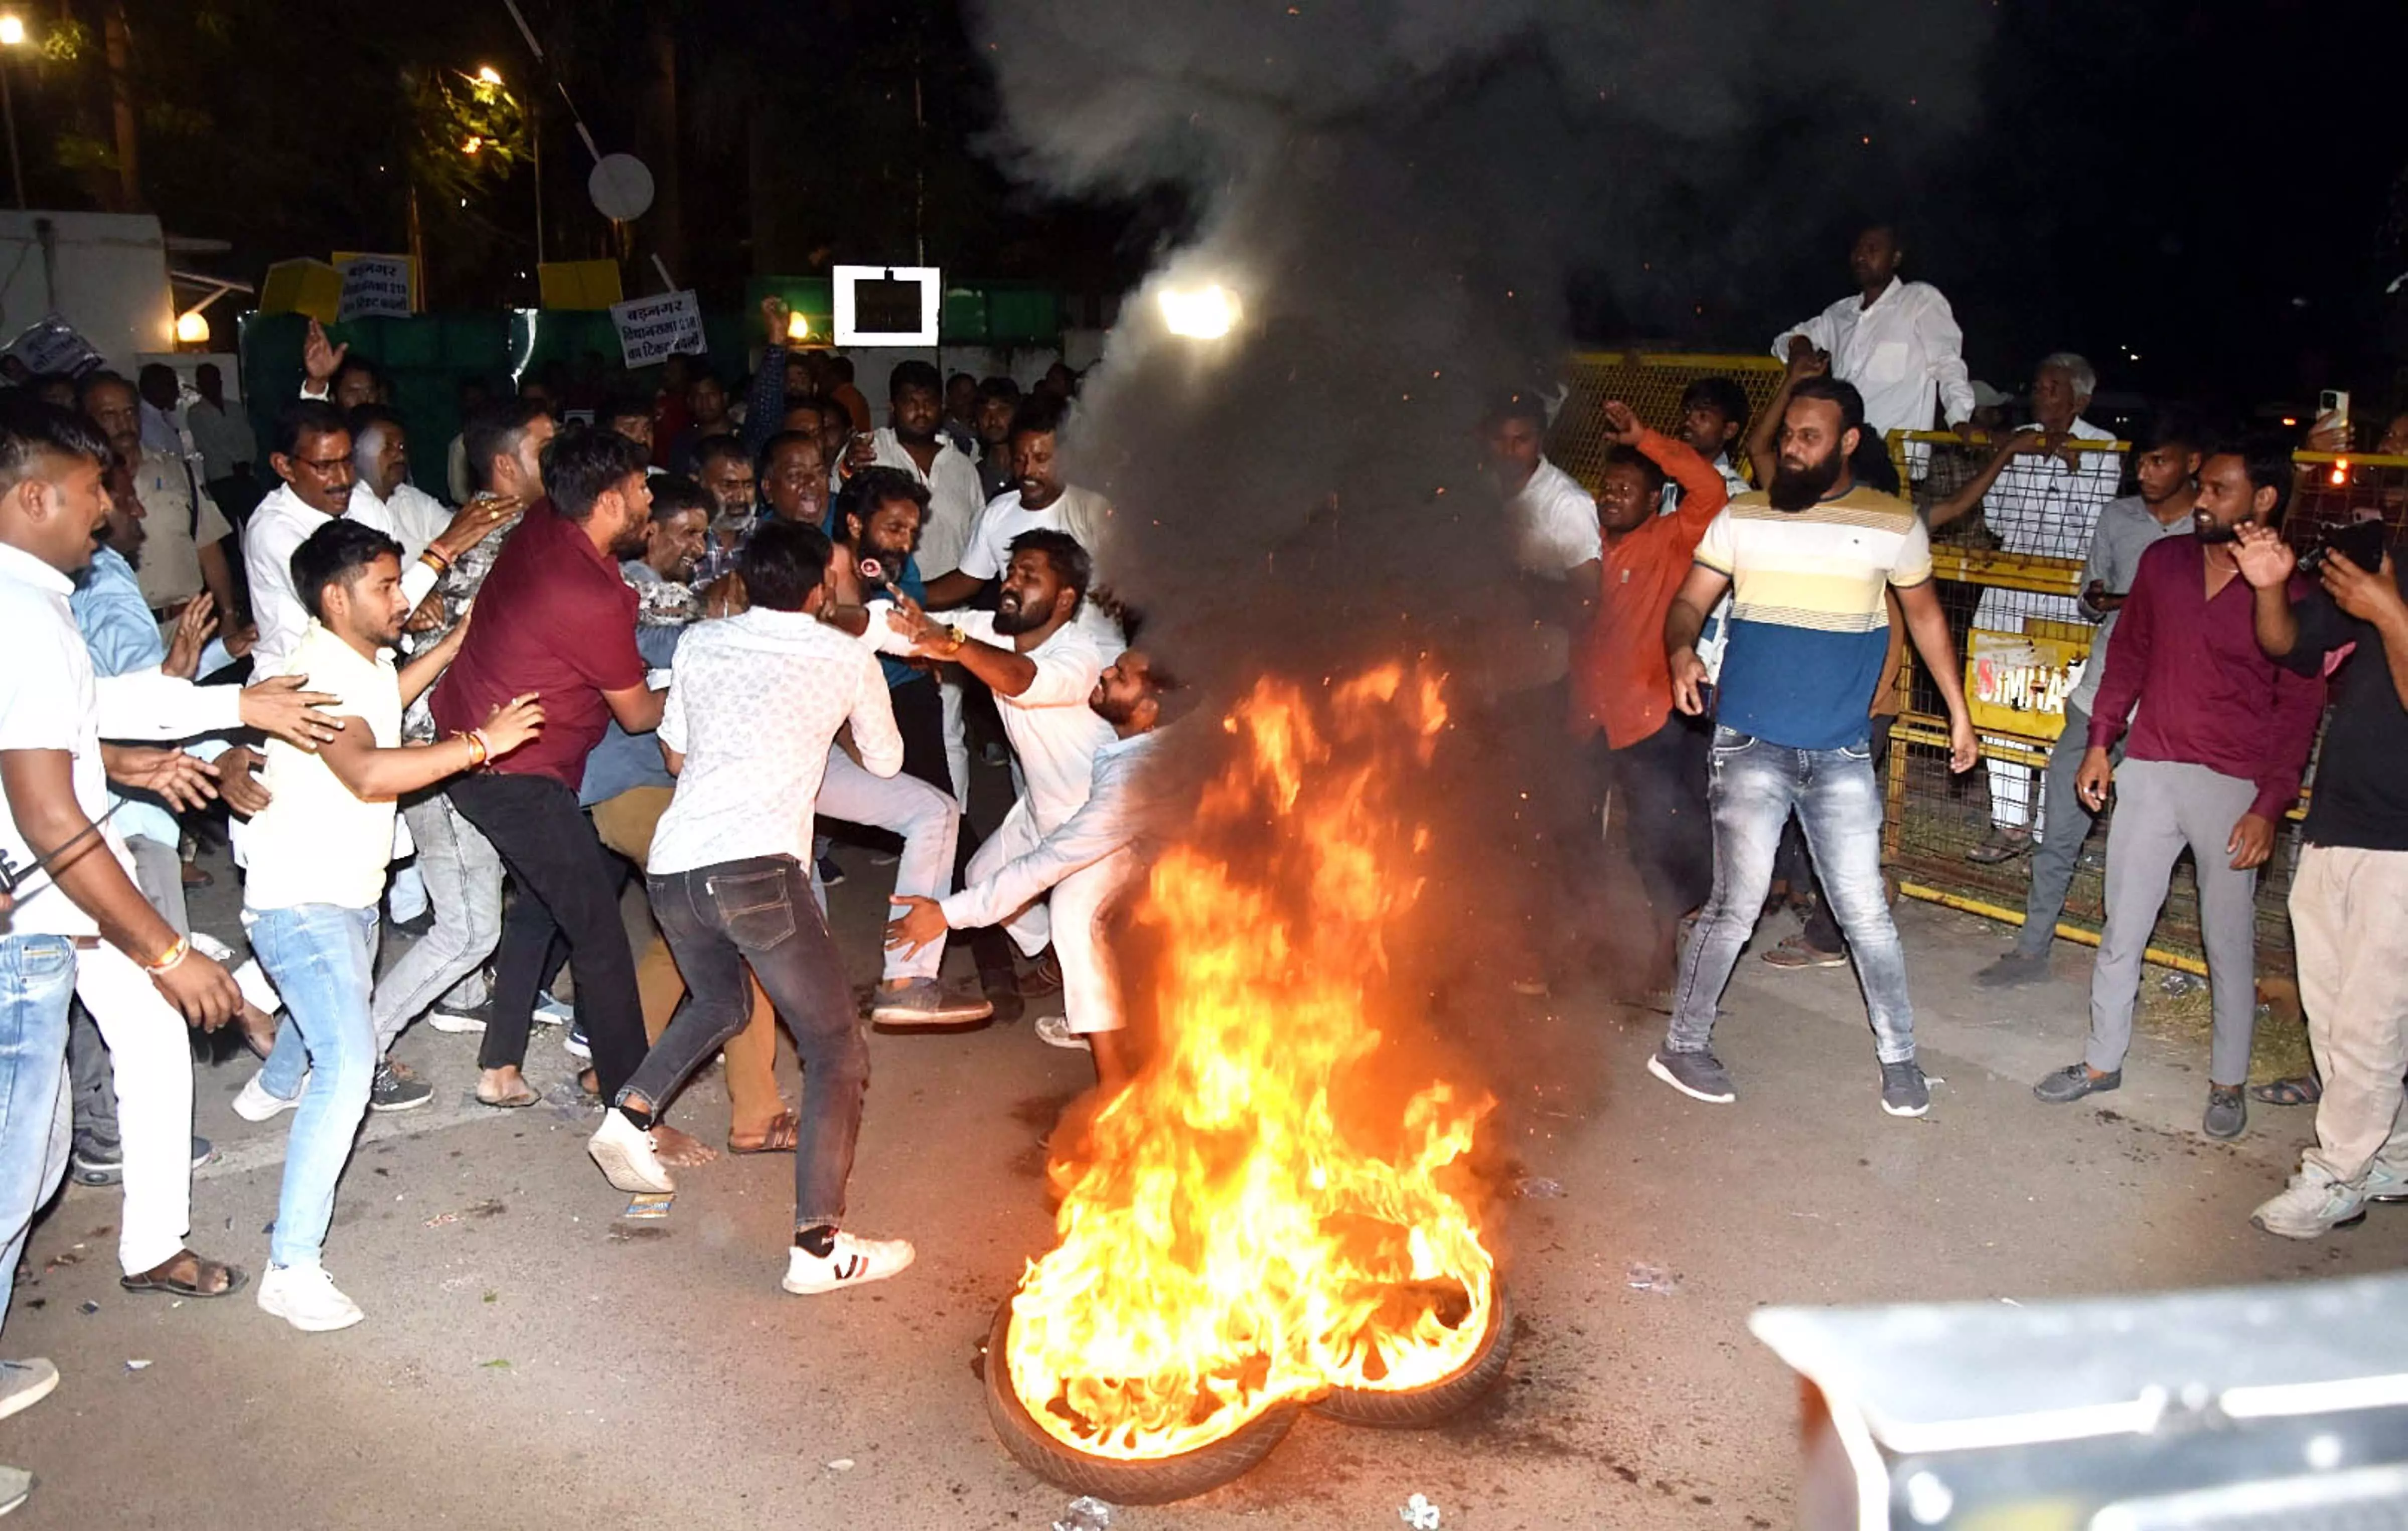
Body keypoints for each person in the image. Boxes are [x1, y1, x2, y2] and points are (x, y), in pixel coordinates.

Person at [0, 398, 248, 1513]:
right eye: (93, 487)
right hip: (37, 906)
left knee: (127, 1057)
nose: (114, 505)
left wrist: (167, 743)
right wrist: (166, 946)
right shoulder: (20, 613)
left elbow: (76, 715)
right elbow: (51, 815)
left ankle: (151, 1245)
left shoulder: (35, 604)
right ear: (30, 497)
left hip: (44, 898)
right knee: (16, 1172)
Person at [584, 519, 918, 1297]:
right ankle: (818, 1246)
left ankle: (629, 1112)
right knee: (837, 1052)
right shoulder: (844, 653)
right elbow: (889, 759)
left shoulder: (703, 642)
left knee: (721, 1003)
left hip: (675, 868)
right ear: (818, 589)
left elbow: (673, 754)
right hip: (758, 870)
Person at [1650, 377, 1978, 1116]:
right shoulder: (1745, 516)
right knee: (1734, 906)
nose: (1792, 449)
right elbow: (1688, 603)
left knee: (1866, 915)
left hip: (1839, 755)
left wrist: (1959, 713)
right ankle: (1682, 1044)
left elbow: (1926, 622)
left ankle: (1901, 1062)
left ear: (1848, 443)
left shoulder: (1894, 524)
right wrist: (1679, 653)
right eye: (1789, 434)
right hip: (1748, 747)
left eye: (1810, 438)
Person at [245, 519, 542, 1329]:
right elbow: (370, 768)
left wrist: (453, 647)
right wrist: (482, 744)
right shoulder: (318, 675)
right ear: (337, 596)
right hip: (305, 903)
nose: (403, 596)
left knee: (322, 1030)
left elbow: (390, 696)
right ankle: (290, 1267)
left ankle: (266, 1084)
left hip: (341, 896)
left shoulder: (359, 660)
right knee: (349, 1065)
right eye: (386, 584)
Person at [2032, 443, 2324, 1139]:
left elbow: (2298, 712)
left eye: (2220, 490)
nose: (2201, 501)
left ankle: (2228, 1082)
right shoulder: (2163, 565)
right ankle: (2102, 1061)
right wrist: (2101, 742)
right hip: (2153, 767)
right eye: (2202, 487)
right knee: (2121, 926)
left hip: (2234, 786)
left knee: (2228, 943)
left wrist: (2269, 806)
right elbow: (2128, 656)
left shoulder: (2289, 594)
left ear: (2263, 502)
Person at [430, 426, 663, 1111]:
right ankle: (633, 1112)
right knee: (601, 937)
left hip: (479, 745)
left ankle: (500, 1066)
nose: (650, 496)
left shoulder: (546, 522)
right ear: (612, 501)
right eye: (643, 485)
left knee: (546, 902)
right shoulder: (585, 591)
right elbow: (640, 715)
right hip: (512, 774)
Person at [1977, 411, 2203, 987]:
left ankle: (2129, 961)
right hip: (2101, 691)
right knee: (2060, 825)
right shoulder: (2119, 517)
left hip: (2171, 704)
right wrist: (2099, 598)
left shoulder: (2209, 529)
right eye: (2142, 462)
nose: (2147, 473)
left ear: (2192, 463)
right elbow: (2090, 592)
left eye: (2161, 461)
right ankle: (2032, 949)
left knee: (2151, 842)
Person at [888, 650, 1176, 1090]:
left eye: (1119, 676)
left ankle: (1118, 1089)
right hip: (1092, 831)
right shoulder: (1136, 743)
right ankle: (1083, 990)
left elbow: (1051, 861)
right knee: (992, 873)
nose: (1104, 671)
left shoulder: (1138, 777)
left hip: (1191, 890)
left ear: (1150, 709)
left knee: (1075, 914)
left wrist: (944, 915)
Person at [2234, 521, 2408, 1235]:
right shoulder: (2394, 553)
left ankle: (2337, 1175)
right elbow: (2288, 645)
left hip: (2401, 843)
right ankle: (2391, 1152)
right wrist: (2271, 588)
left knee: (2370, 1022)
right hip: (2339, 822)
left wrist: (2391, 614)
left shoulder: (2386, 591)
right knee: (2335, 1017)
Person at [880, 531, 1119, 1036]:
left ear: (1065, 599)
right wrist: (831, 614)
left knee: (1076, 921)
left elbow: (1019, 679)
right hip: (1040, 809)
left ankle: (1097, 1032)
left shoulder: (1081, 654)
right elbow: (913, 631)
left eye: (1031, 577)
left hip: (1097, 819)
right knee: (984, 870)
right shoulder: (990, 629)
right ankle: (1056, 956)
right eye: (1012, 571)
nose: (1012, 582)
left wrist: (955, 644)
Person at [1927, 353, 2121, 863]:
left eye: (2053, 387)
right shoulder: (2017, 441)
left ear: (2080, 398)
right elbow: (1996, 516)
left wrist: (2069, 468)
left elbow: (2097, 526)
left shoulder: (2102, 447)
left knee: (2062, 708)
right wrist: (2026, 457)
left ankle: (2058, 831)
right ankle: (2010, 821)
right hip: (2013, 579)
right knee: (2000, 698)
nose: (2042, 395)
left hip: (2068, 589)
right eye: (2038, 385)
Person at [1568, 402, 1728, 994]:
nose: (1612, 497)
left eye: (1627, 489)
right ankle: (1582, 937)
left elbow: (1710, 490)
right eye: (1607, 487)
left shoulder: (1670, 539)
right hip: (1587, 715)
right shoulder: (1588, 545)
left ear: (1654, 498)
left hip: (1648, 719)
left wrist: (1648, 439)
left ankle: (1665, 942)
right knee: (1572, 831)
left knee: (1653, 840)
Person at [1770, 222, 1975, 480]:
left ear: (1896, 257)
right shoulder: (1840, 314)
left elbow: (1947, 361)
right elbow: (1784, 341)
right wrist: (1799, 346)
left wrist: (1960, 417)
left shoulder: (1919, 301)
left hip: (1893, 464)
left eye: (1873, 248)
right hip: (1840, 461)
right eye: (1857, 249)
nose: (1861, 256)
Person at [923, 393, 1118, 640]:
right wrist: (906, 594)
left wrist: (1120, 592)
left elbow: (1134, 578)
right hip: (1030, 656)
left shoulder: (1093, 510)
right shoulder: (998, 512)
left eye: (1041, 460)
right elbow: (967, 580)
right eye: (1020, 460)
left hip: (1098, 653)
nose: (1028, 471)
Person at [78, 372, 239, 627]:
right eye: (109, 415)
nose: (124, 423)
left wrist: (229, 613)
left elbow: (207, 546)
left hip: (186, 623)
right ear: (88, 419)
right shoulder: (77, 485)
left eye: (130, 412)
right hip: (121, 632)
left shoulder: (177, 471)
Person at [844, 359, 984, 581]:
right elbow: (838, 509)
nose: (921, 411)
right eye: (911, 402)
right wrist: (848, 468)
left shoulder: (963, 467)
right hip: (882, 599)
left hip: (953, 605)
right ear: (893, 407)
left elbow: (978, 543)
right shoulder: (868, 451)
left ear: (942, 406)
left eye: (929, 402)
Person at [346, 403, 453, 566]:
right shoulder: (350, 508)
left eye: (402, 447)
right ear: (357, 453)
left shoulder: (411, 497)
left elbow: (453, 532)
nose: (399, 455)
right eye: (387, 447)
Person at [185, 363, 257, 516]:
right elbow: (208, 444)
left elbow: (248, 438)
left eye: (214, 380)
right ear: (199, 385)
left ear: (220, 382)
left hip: (245, 475)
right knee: (229, 533)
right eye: (206, 381)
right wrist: (235, 462)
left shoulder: (235, 408)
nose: (211, 385)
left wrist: (247, 461)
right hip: (220, 477)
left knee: (254, 523)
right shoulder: (196, 412)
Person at [665, 371, 734, 478]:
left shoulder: (745, 436)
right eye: (698, 397)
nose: (705, 402)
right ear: (690, 402)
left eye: (711, 395)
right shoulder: (682, 443)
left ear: (725, 398)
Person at [757, 430, 831, 529]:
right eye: (795, 475)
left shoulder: (847, 528)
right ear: (768, 489)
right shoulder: (754, 541)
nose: (812, 481)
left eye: (820, 472)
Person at [973, 376, 1022, 502]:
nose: (993, 421)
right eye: (985, 412)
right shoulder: (974, 475)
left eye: (1002, 411)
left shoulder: (1029, 470)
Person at [694, 433, 757, 527]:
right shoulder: (681, 538)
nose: (741, 498)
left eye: (748, 486)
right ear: (697, 484)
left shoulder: (769, 535)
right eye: (729, 486)